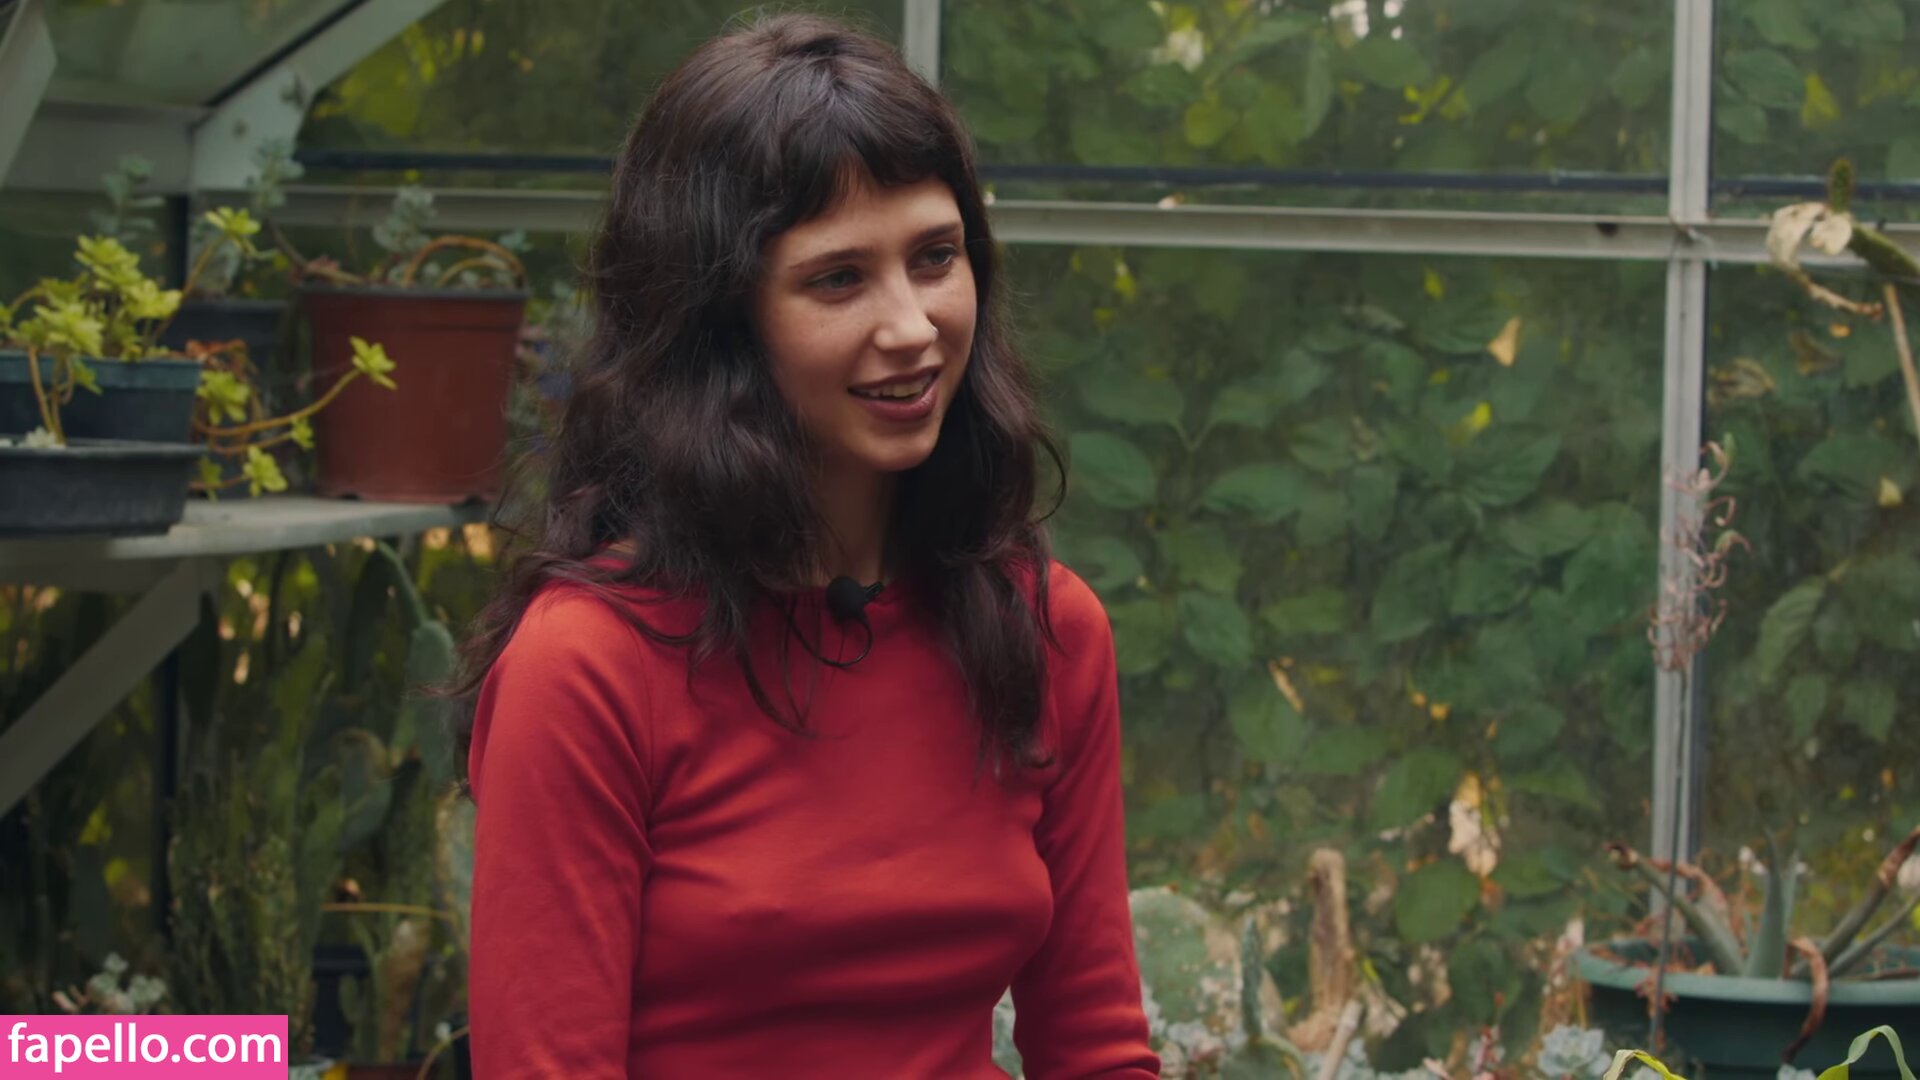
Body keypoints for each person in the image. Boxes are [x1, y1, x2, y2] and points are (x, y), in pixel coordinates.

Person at [452, 12, 1160, 1078]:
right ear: (720, 323)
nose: (913, 327)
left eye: (936, 257)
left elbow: (1097, 1047)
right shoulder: (586, 667)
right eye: (838, 279)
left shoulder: (1045, 628)